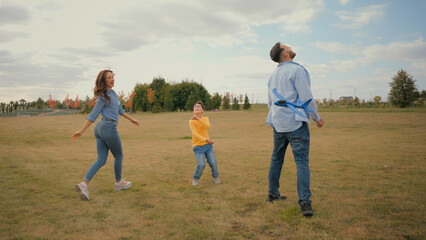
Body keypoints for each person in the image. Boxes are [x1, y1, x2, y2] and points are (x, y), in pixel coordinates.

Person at [266, 42, 324, 217]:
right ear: (285, 54)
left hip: (278, 124)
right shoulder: (297, 70)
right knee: (301, 162)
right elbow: (307, 98)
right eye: (287, 47)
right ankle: (305, 202)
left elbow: (270, 102)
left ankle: (273, 194)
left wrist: (276, 118)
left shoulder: (273, 75)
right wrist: (317, 118)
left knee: (276, 158)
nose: (290, 48)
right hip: (296, 123)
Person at [72, 69, 140, 201]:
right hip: (107, 127)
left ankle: (83, 184)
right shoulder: (103, 96)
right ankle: (118, 183)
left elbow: (120, 110)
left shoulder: (113, 94)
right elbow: (93, 115)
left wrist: (132, 120)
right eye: (109, 78)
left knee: (101, 160)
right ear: (104, 80)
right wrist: (81, 131)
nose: (112, 79)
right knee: (119, 155)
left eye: (113, 77)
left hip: (101, 127)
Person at [189, 101, 220, 186]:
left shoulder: (205, 118)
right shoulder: (191, 121)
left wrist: (199, 119)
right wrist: (206, 139)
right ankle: (195, 179)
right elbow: (195, 133)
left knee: (213, 162)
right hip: (198, 146)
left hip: (207, 146)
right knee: (201, 164)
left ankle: (215, 177)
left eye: (199, 106)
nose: (197, 107)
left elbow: (207, 126)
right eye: (195, 106)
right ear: (193, 110)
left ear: (202, 110)